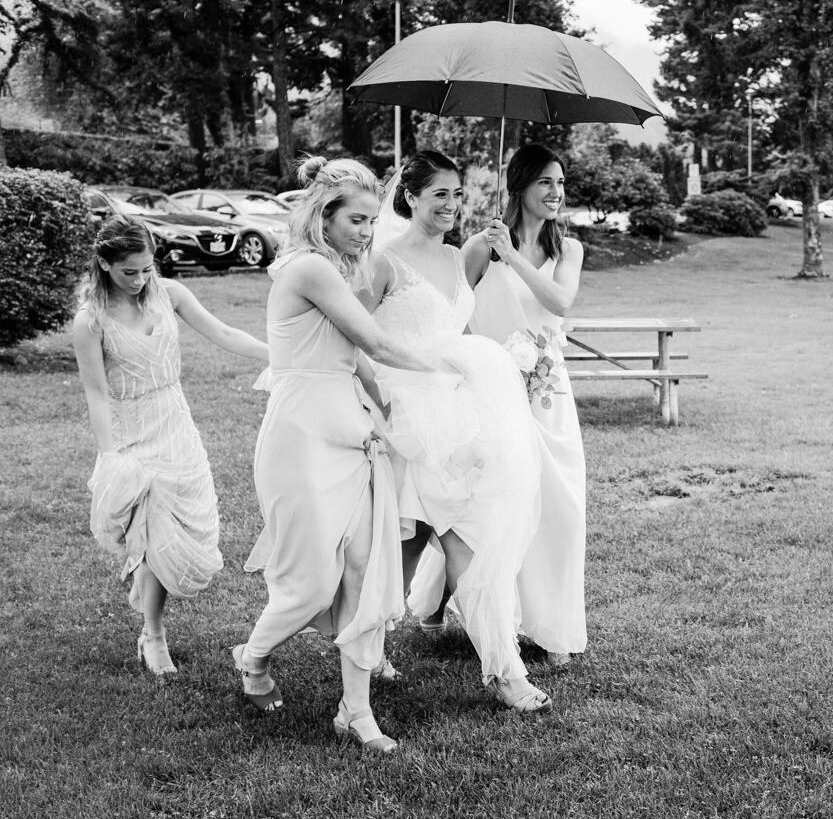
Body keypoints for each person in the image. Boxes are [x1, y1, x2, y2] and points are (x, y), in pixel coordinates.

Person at [234, 156, 456, 753]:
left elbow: (354, 357)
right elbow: (375, 340)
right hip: (301, 437)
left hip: (353, 433)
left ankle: (355, 713)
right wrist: (459, 367)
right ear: (322, 216)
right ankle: (252, 658)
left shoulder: (338, 269)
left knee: (364, 570)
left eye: (372, 219)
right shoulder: (309, 268)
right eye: (357, 219)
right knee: (310, 583)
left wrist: (385, 407)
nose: (368, 230)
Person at [364, 149, 551, 714]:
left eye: (456, 194)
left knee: (441, 539)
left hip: (458, 416)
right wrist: (380, 409)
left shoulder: (455, 256)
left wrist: (505, 365)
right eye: (439, 193)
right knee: (408, 545)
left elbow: (460, 330)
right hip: (408, 420)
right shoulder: (382, 262)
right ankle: (503, 671)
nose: (451, 204)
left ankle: (492, 666)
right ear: (411, 196)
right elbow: (358, 339)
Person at [72, 217, 269, 676]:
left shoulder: (170, 294)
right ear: (104, 264)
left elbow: (224, 334)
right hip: (131, 434)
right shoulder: (90, 321)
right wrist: (110, 458)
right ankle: (153, 635)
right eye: (129, 272)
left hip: (176, 424)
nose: (141, 280)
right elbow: (97, 394)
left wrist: (278, 354)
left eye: (147, 268)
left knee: (183, 532)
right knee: (154, 532)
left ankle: (148, 611)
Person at [457, 143, 588, 667]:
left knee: (560, 507)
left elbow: (560, 303)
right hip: (496, 393)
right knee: (502, 508)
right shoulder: (477, 247)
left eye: (560, 183)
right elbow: (455, 314)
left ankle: (553, 628)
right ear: (519, 187)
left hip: (550, 393)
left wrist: (511, 257)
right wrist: (483, 361)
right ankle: (501, 627)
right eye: (545, 183)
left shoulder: (568, 248)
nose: (556, 193)